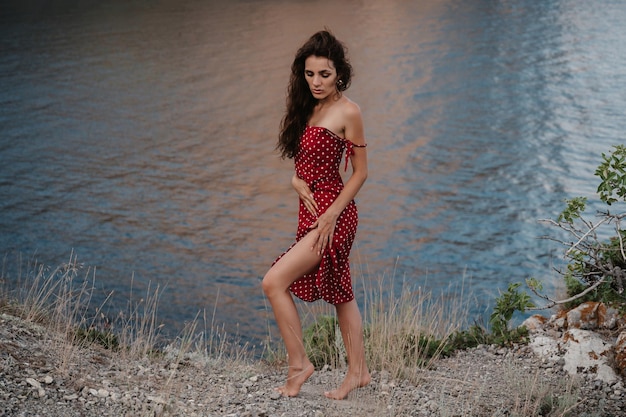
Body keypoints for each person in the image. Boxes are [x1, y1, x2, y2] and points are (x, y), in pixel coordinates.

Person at [262, 30, 370, 400]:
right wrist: (295, 181)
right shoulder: (307, 106)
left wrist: (331, 216)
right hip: (310, 212)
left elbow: (360, 173)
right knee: (342, 294)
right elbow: (304, 162)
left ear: (339, 72)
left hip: (335, 215)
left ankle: (299, 366)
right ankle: (358, 372)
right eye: (310, 74)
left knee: (273, 282)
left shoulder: (349, 111)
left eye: (324, 74)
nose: (316, 82)